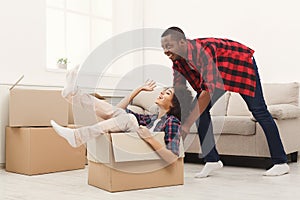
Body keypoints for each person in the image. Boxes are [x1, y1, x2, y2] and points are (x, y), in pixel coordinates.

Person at [160, 26, 290, 177]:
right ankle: (212, 160)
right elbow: (181, 95)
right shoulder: (178, 63)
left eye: (169, 46)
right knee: (200, 113)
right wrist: (177, 121)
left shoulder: (204, 51)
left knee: (259, 111)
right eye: (163, 47)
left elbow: (208, 90)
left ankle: (281, 162)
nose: (165, 51)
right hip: (220, 75)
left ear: (182, 42)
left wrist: (187, 125)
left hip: (241, 66)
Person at [51, 65, 193, 164]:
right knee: (121, 114)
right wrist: (138, 90)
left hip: (141, 144)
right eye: (164, 90)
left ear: (174, 103)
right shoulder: (152, 118)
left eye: (167, 93)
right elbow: (115, 112)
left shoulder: (172, 122)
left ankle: (78, 136)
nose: (161, 92)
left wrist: (150, 138)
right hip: (133, 137)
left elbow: (173, 158)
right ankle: (73, 94)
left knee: (130, 118)